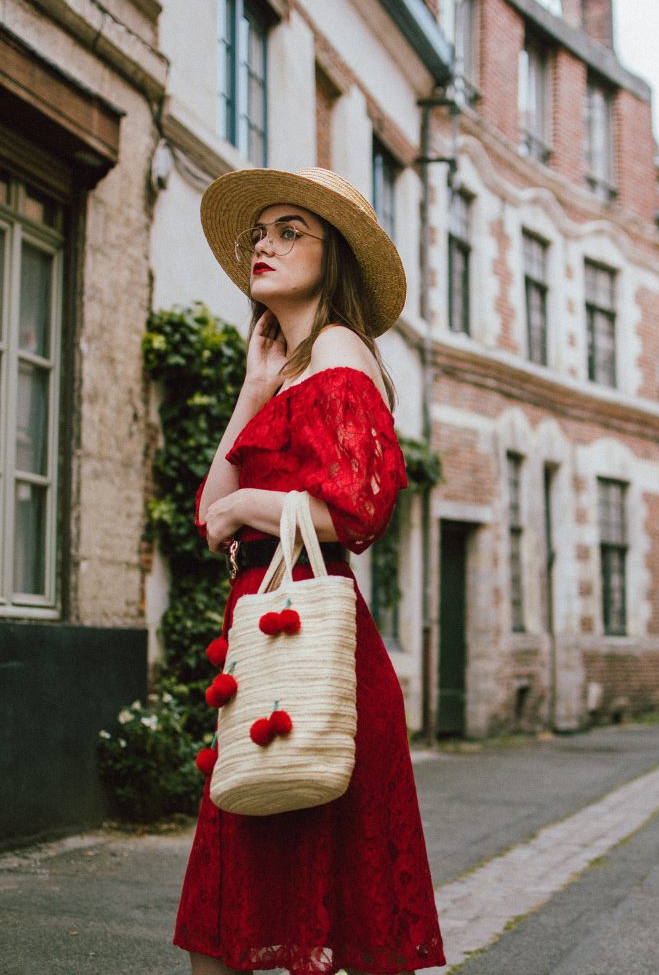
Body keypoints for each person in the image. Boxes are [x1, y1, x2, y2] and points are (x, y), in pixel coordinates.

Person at [173, 167, 445, 975]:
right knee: (235, 910)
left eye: (291, 230)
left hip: (311, 643)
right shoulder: (288, 366)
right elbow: (207, 510)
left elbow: (356, 509)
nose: (265, 242)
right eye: (262, 230)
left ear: (334, 260)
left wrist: (251, 505)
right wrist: (253, 390)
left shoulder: (338, 349)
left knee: (300, 905)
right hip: (266, 649)